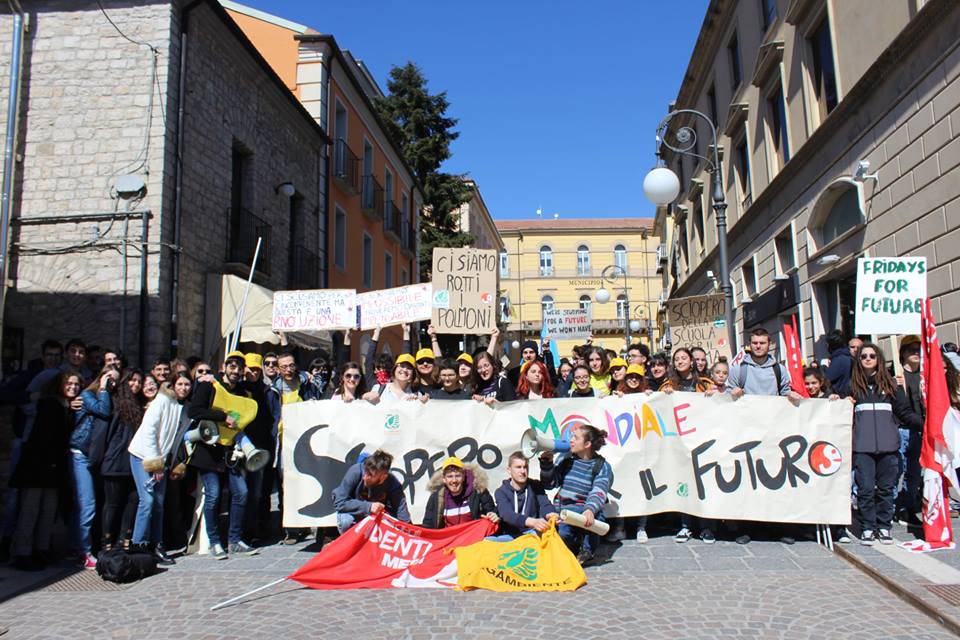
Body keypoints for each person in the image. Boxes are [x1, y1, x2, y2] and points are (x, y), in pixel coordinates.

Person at [728, 328, 801, 545]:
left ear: (770, 344)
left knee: (776, 480)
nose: (759, 346)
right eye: (755, 343)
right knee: (748, 482)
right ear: (750, 345)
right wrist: (731, 394)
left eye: (762, 342)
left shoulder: (779, 369)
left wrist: (791, 395)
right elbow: (726, 399)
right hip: (747, 433)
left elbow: (785, 391)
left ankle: (780, 527)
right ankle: (746, 528)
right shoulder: (738, 369)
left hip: (773, 434)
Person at [188, 352, 259, 559]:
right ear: (224, 367)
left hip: (231, 452)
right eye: (232, 366)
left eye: (239, 367)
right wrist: (222, 416)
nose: (235, 371)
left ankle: (235, 540)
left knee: (241, 492)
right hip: (209, 449)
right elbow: (195, 411)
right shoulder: (209, 386)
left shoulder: (243, 394)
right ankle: (215, 542)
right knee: (214, 495)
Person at [850, 343, 922, 545]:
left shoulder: (891, 386)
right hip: (863, 448)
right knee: (864, 489)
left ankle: (884, 526)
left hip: (888, 447)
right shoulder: (853, 387)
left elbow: (905, 413)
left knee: (885, 489)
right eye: (864, 356)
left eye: (872, 355)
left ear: (879, 359)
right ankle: (867, 527)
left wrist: (925, 424)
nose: (868, 359)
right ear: (859, 360)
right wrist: (837, 399)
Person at [9, 372, 78, 571]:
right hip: (37, 467)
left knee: (48, 510)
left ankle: (41, 548)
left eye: (76, 384)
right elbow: (45, 438)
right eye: (69, 383)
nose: (73, 387)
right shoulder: (49, 405)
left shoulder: (64, 407)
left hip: (52, 468)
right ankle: (23, 552)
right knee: (31, 510)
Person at [128, 372, 192, 566]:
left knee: (158, 503)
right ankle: (138, 545)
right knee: (146, 500)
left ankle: (157, 545)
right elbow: (149, 432)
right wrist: (155, 464)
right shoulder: (161, 401)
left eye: (187, 384)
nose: (183, 388)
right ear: (173, 385)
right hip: (142, 455)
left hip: (162, 459)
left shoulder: (182, 406)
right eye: (180, 384)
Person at [539, 424, 612, 565]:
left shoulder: (602, 466)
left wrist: (590, 509)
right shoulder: (566, 459)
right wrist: (546, 465)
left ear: (587, 444)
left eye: (576, 438)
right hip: (564, 509)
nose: (571, 440)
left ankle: (587, 549)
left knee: (594, 521)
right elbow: (550, 484)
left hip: (585, 510)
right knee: (562, 533)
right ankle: (575, 543)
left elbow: (599, 490)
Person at [70, 366, 119, 568]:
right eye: (108, 378)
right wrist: (104, 390)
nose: (111, 383)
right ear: (100, 377)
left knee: (89, 504)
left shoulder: (107, 397)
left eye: (115, 381)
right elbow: (103, 412)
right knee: (87, 505)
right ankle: (83, 551)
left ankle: (78, 547)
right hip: (80, 453)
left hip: (93, 456)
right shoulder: (88, 395)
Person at [94, 369, 145, 552]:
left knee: (133, 500)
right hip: (115, 460)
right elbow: (105, 433)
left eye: (139, 382)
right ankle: (106, 543)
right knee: (113, 503)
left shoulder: (138, 405)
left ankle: (124, 540)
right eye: (132, 381)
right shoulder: (115, 403)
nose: (136, 385)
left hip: (134, 462)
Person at [242, 353, 280, 544]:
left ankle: (257, 528)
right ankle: (240, 530)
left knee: (259, 491)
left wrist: (270, 445)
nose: (253, 372)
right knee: (241, 491)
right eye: (251, 368)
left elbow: (274, 420)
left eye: (256, 369)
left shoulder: (268, 392)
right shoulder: (237, 390)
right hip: (239, 447)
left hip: (261, 447)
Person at [332, 450, 410, 533]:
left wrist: (409, 532)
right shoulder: (355, 471)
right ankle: (350, 544)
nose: (365, 477)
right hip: (354, 513)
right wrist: (368, 507)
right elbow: (339, 502)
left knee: (395, 523)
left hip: (378, 516)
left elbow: (402, 513)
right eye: (365, 471)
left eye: (370, 475)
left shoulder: (393, 483)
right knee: (346, 521)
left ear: (383, 477)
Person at [422, 456, 499, 529]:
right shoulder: (436, 497)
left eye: (458, 476)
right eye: (450, 476)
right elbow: (428, 524)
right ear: (444, 479)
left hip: (474, 538)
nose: (454, 480)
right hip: (449, 539)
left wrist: (493, 515)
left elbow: (491, 511)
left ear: (463, 477)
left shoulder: (479, 491)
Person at [896, 335, 924, 526]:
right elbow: (902, 409)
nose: (916, 353)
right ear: (903, 354)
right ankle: (895, 508)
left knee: (914, 472)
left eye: (918, 350)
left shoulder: (924, 377)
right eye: (911, 350)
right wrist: (923, 422)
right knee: (899, 470)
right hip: (903, 430)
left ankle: (909, 506)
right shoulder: (898, 378)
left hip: (922, 431)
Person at [495, 452, 555, 538]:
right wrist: (533, 522)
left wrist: (550, 514)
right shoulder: (501, 492)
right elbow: (507, 514)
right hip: (510, 536)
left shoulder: (535, 485)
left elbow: (545, 504)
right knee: (488, 541)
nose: (523, 471)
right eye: (518, 467)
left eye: (525, 467)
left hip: (532, 533)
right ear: (509, 470)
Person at [824, 330, 853, 397]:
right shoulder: (847, 357)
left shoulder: (839, 359)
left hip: (840, 397)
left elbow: (827, 379)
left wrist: (823, 367)